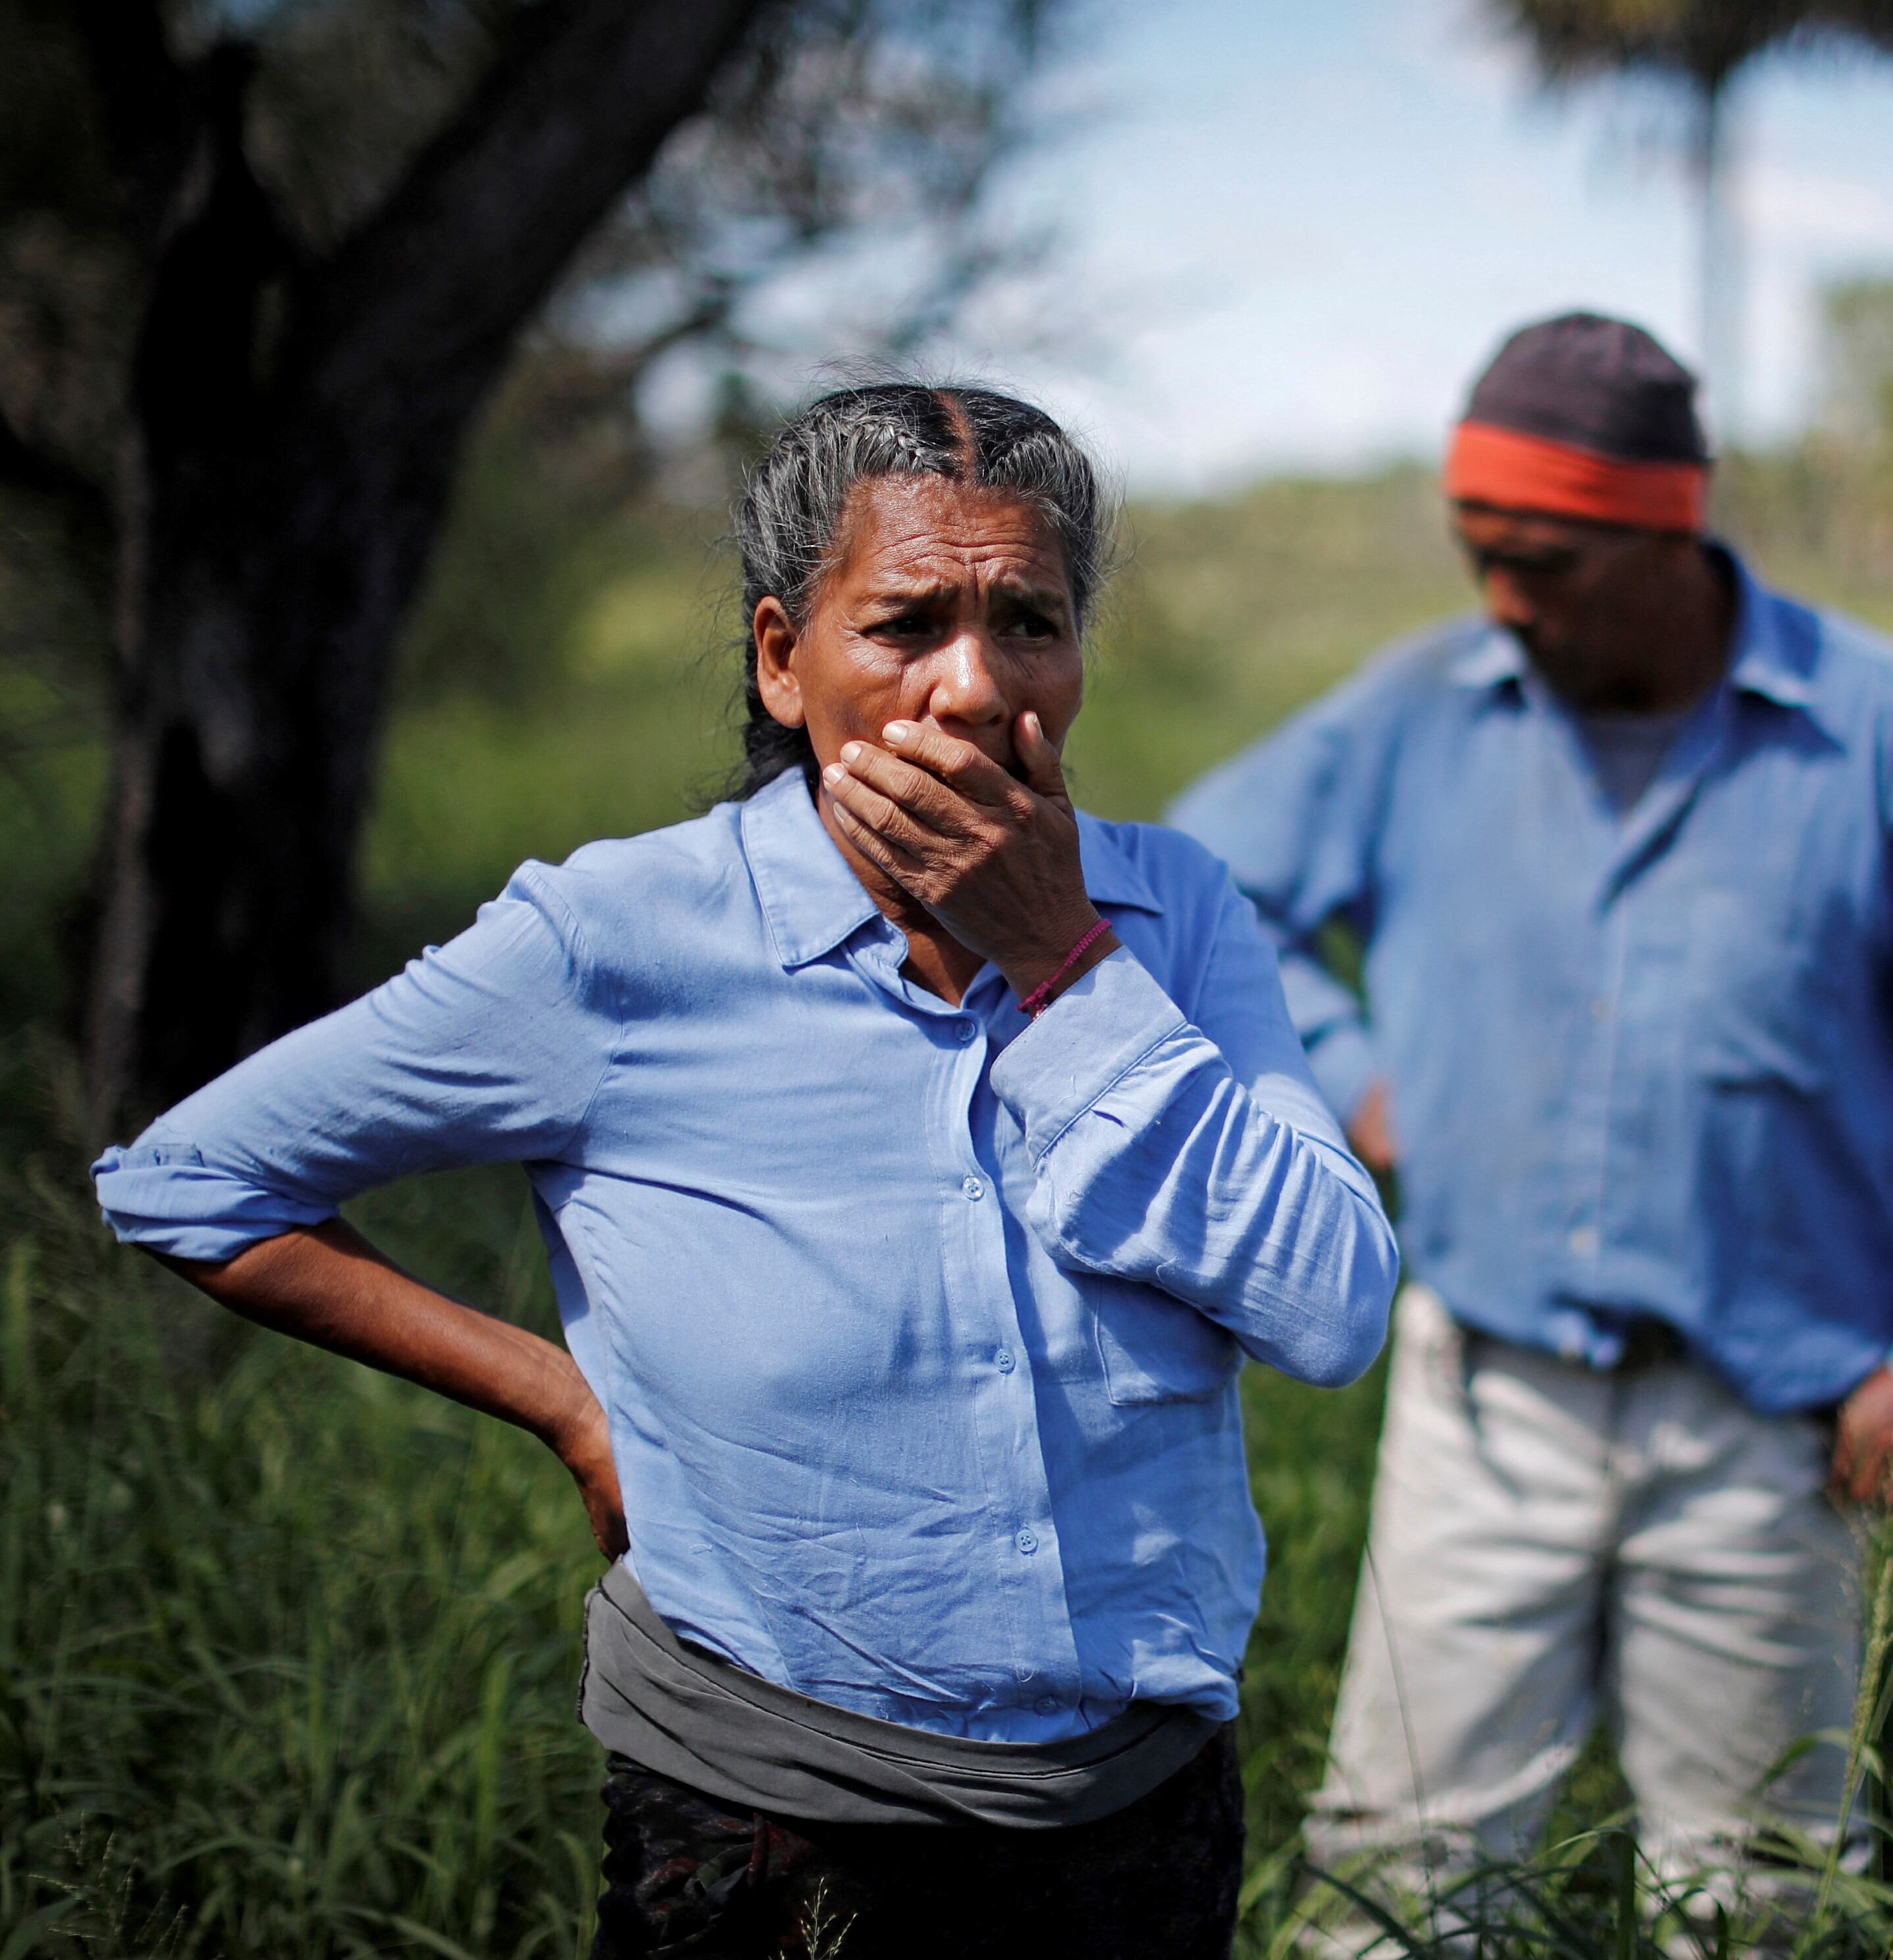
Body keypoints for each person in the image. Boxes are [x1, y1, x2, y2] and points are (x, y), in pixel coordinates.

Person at [92, 385, 1399, 1959]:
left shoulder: (1170, 912)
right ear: (787, 659)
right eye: (906, 622)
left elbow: (1329, 1312)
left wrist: (1065, 963)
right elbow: (192, 1180)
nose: (975, 687)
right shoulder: (620, 944)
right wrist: (569, 1403)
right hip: (767, 1812)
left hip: (1137, 1808)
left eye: (1031, 623)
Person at [1170, 314, 1893, 1923]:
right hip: (1484, 1404)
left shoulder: (1879, 731)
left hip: (1773, 1426)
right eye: (1477, 551)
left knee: (1758, 1892)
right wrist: (1347, 1075)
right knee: (1403, 1872)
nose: (1502, 598)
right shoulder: (1427, 708)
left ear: (1671, 529)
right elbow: (1209, 893)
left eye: (1543, 560)